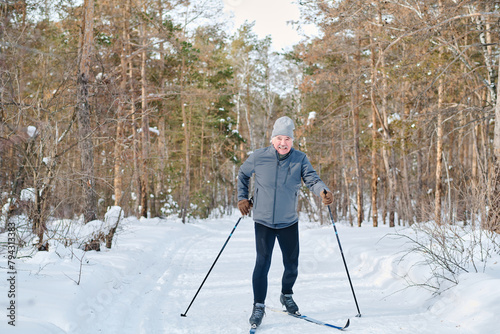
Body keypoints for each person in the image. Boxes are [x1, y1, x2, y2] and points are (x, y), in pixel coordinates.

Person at [237, 116, 334, 328]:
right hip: (263, 221)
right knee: (262, 263)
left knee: (291, 265)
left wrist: (323, 191)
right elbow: (243, 174)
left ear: (292, 140)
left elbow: (313, 179)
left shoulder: (300, 159)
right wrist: (242, 198)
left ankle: (286, 295)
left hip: (288, 221)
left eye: (287, 138)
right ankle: (258, 306)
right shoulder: (259, 157)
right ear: (272, 139)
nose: (283, 142)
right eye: (279, 138)